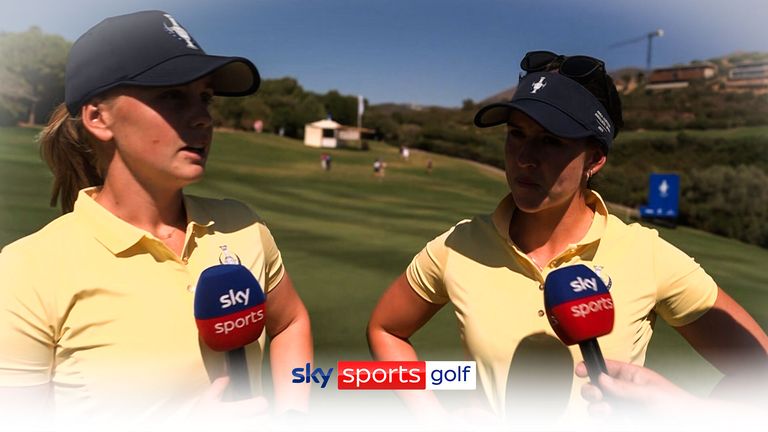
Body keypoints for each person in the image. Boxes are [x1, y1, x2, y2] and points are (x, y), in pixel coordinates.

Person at [367, 51, 768, 421]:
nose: (524, 157)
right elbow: (386, 331)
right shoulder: (457, 245)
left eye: (550, 141)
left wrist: (685, 413)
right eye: (516, 134)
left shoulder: (646, 254)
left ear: (595, 158)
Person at [0, 10, 312, 428]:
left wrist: (294, 413)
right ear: (98, 118)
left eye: (205, 97)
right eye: (171, 96)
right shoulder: (27, 270)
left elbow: (291, 321)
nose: (203, 117)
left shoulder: (243, 226)